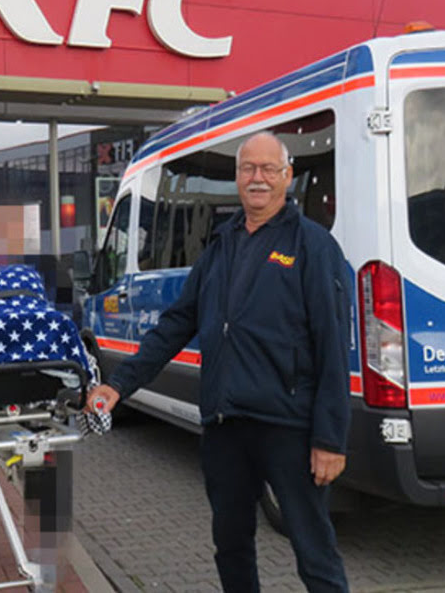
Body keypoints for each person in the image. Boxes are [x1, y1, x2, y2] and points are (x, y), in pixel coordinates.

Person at [87, 130, 352, 592]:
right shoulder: (221, 246)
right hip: (226, 426)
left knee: (314, 551)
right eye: (248, 168)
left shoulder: (312, 246)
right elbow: (177, 323)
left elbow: (333, 344)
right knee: (230, 544)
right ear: (236, 177)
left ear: (287, 177)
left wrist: (331, 438)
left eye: (269, 169)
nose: (258, 178)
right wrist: (119, 384)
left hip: (288, 426)